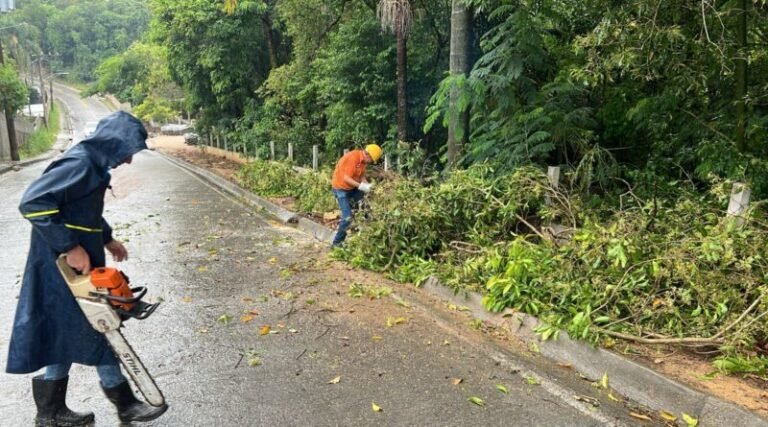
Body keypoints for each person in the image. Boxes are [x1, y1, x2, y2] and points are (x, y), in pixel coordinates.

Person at [6, 111, 167, 426]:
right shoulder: (80, 164)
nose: (129, 161)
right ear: (115, 143)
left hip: (74, 266)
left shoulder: (93, 165)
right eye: (129, 152)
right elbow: (33, 203)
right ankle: (126, 404)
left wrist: (107, 239)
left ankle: (49, 412)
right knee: (101, 326)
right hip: (61, 268)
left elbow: (80, 210)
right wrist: (70, 246)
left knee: (67, 330)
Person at [330, 144, 382, 247]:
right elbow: (346, 178)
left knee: (365, 208)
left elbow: (361, 175)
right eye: (371, 160)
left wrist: (368, 185)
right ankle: (336, 243)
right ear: (368, 155)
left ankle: (365, 232)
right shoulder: (353, 158)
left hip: (352, 188)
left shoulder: (362, 162)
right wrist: (361, 186)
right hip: (341, 189)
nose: (371, 162)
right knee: (347, 217)